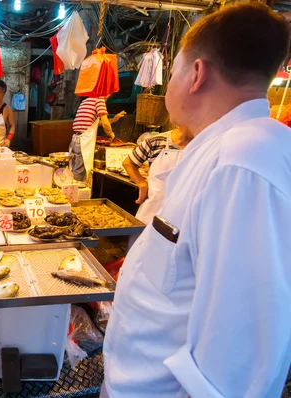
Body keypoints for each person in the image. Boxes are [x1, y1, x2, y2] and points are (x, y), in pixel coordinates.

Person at [102, 4, 291, 398]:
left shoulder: (244, 163)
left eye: (171, 73)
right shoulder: (218, 149)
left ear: (197, 74)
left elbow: (244, 355)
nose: (167, 85)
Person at [122, 127, 192, 225]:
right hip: (152, 210)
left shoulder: (205, 146)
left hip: (184, 216)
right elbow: (128, 163)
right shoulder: (156, 141)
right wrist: (142, 183)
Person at [69, 95, 125, 182]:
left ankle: (72, 193)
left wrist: (114, 119)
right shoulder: (100, 99)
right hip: (83, 141)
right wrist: (111, 133)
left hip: (75, 140)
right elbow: (105, 124)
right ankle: (77, 194)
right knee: (80, 174)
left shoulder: (86, 101)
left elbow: (96, 123)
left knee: (74, 170)